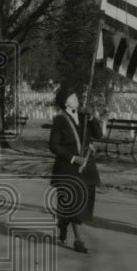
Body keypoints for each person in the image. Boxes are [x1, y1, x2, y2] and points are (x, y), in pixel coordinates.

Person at [48, 87, 103, 253]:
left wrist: (92, 118)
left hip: (86, 167)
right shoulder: (60, 120)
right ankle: (79, 240)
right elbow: (53, 145)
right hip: (68, 168)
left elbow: (98, 135)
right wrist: (72, 157)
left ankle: (62, 224)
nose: (76, 97)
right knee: (74, 204)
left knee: (82, 202)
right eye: (72, 95)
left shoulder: (84, 116)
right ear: (66, 102)